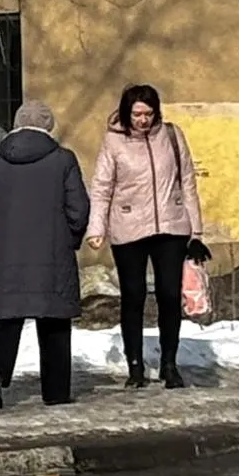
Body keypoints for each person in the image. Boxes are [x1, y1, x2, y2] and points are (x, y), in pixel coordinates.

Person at [86, 83, 211, 389]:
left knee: (169, 295)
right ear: (126, 113)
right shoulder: (114, 142)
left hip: (171, 226)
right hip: (129, 227)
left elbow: (188, 182)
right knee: (134, 296)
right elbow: (102, 186)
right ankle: (135, 366)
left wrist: (196, 231)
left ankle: (169, 363)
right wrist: (96, 227)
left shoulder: (171, 135)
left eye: (148, 113)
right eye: (136, 114)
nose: (143, 120)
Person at [0, 101, 90, 409]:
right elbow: (79, 209)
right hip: (53, 253)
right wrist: (71, 239)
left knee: (5, 320)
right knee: (53, 321)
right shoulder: (63, 160)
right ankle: (55, 391)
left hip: (7, 253)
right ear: (48, 126)